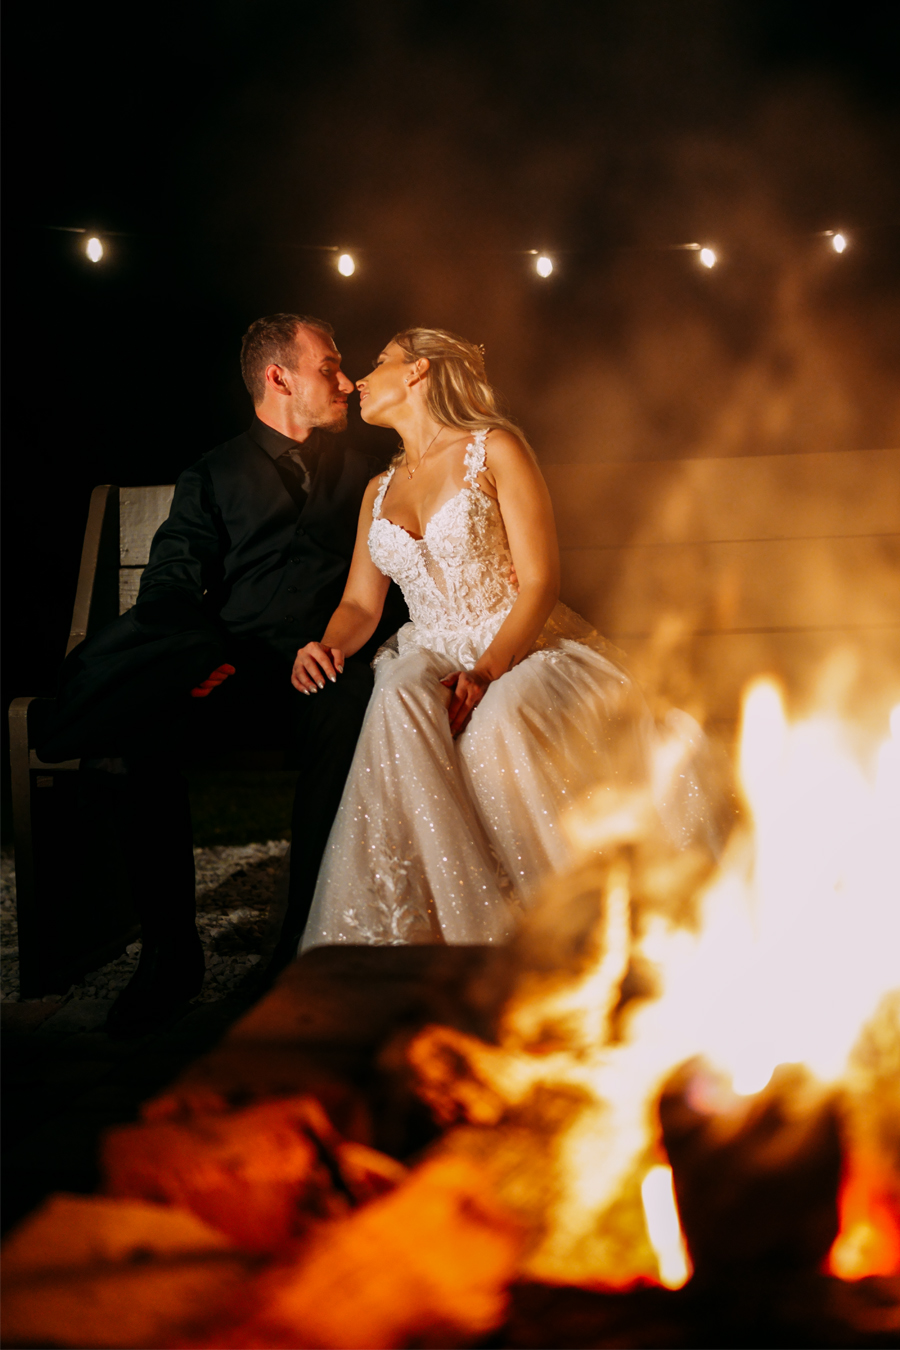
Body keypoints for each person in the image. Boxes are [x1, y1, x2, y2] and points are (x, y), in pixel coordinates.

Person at [37, 314, 406, 1034]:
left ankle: (300, 950)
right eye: (328, 367)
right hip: (240, 670)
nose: (344, 380)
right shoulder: (212, 474)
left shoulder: (367, 466)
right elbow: (171, 584)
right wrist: (211, 658)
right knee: (141, 735)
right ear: (280, 378)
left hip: (334, 666)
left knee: (354, 710)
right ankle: (170, 958)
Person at [295, 328, 681, 950]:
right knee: (396, 694)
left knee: (501, 718)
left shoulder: (494, 449)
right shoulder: (378, 490)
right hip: (429, 642)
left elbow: (540, 581)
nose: (360, 379)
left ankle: (563, 924)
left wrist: (488, 668)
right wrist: (327, 644)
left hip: (513, 639)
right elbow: (360, 605)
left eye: (379, 363)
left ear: (418, 372)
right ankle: (430, 928)